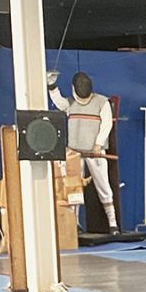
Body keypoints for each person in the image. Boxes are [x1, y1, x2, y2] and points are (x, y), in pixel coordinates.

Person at [46, 70, 119, 232]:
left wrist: (98, 144)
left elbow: (107, 124)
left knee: (104, 186)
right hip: (75, 153)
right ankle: (75, 224)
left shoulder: (102, 102)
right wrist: (52, 87)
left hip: (95, 153)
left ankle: (112, 223)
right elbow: (60, 103)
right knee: (74, 188)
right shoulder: (70, 103)